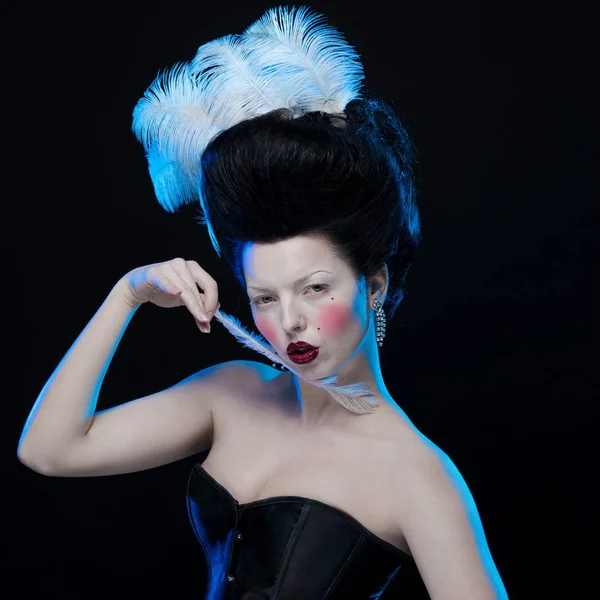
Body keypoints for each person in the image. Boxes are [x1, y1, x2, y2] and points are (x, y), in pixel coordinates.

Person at [17, 6, 508, 599]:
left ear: (373, 286)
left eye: (315, 288)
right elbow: (50, 450)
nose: (289, 320)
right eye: (264, 298)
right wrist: (127, 296)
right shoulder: (231, 394)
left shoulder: (417, 476)